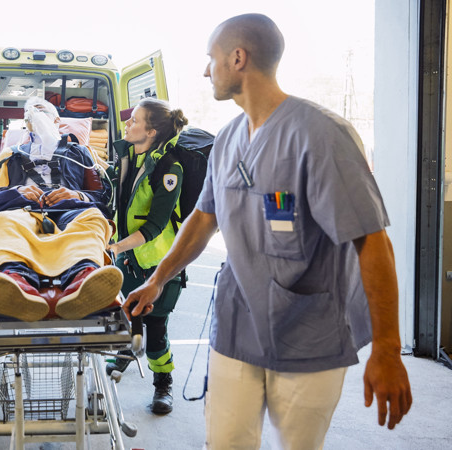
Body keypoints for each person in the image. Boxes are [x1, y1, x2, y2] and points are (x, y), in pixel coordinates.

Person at [125, 13, 412, 448]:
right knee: (224, 441)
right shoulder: (227, 138)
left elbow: (372, 241)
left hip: (307, 333)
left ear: (238, 58)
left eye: (211, 59)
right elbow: (204, 218)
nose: (206, 70)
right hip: (237, 327)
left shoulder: (322, 135)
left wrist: (388, 350)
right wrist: (157, 278)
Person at [0, 97, 122, 322]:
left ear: (57, 119)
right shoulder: (12, 154)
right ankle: (15, 280)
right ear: (26, 123)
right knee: (2, 220)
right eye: (30, 112)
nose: (36, 112)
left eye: (42, 109)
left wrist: (77, 195)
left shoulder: (80, 152)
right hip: (22, 211)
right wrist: (17, 192)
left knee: (93, 218)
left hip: (71, 211)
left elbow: (103, 198)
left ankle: (84, 279)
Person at [104, 98, 189, 415]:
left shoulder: (169, 170)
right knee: (129, 315)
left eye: (134, 120)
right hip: (131, 261)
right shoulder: (129, 158)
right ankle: (123, 359)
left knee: (155, 328)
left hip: (159, 264)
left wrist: (113, 248)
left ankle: (163, 384)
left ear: (151, 132)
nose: (127, 123)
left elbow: (154, 227)